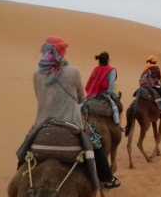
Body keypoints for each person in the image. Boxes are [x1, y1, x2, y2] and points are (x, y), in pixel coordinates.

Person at [32, 37, 120, 189]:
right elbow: (81, 98)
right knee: (96, 143)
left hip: (43, 123)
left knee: (24, 150)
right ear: (61, 51)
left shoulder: (36, 75)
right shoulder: (73, 71)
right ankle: (107, 178)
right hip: (72, 122)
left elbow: (40, 99)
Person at [84, 52, 123, 131]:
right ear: (108, 60)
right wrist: (108, 94)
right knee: (117, 107)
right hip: (104, 94)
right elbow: (111, 83)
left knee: (82, 106)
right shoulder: (111, 70)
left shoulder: (96, 69)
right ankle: (118, 124)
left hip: (93, 94)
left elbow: (90, 81)